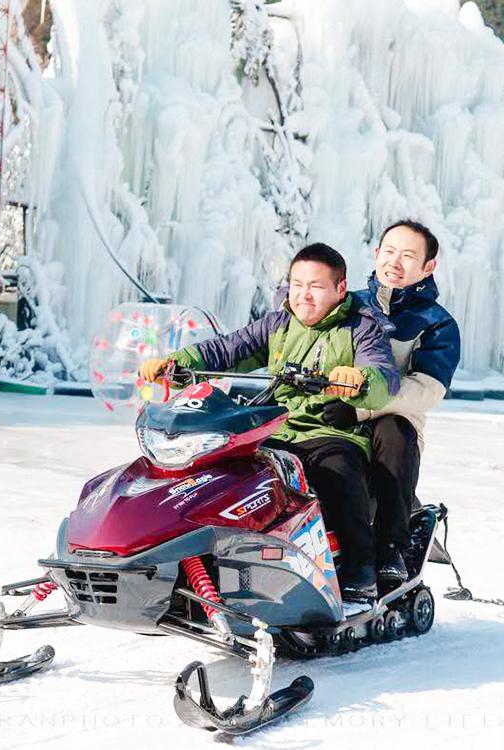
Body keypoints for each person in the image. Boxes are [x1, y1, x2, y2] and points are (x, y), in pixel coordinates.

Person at [140, 243, 400, 602]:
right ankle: (213, 560)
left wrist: (360, 380)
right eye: (297, 284)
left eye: (316, 286)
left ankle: (360, 569)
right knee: (223, 471)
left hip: (331, 430)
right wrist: (178, 362)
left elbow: (384, 377)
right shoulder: (278, 323)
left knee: (338, 471)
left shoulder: (362, 327)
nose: (303, 295)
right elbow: (229, 349)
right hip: (274, 429)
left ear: (340, 290)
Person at [320, 220, 461, 583]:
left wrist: (362, 405)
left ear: (428, 267)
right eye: (389, 251)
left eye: (408, 255)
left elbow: (425, 390)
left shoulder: (436, 324)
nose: (395, 262)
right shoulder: (348, 305)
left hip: (391, 420)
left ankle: (390, 547)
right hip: (329, 412)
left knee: (394, 432)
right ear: (376, 253)